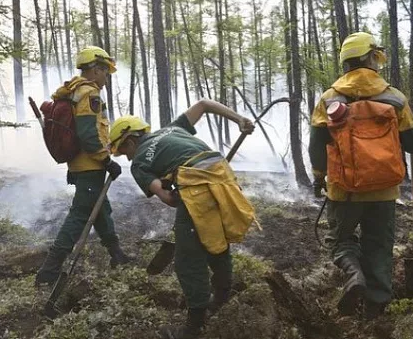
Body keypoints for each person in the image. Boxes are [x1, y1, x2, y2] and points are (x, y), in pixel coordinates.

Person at [108, 100, 255, 339]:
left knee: (188, 260)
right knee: (216, 241)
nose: (126, 157)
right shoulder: (173, 128)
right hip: (225, 179)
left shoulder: (139, 164)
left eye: (123, 151)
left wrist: (173, 189)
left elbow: (168, 198)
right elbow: (205, 104)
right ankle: (220, 299)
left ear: (131, 141)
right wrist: (239, 119)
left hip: (198, 190)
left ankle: (193, 328)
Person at [309, 32, 413, 319]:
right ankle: (376, 309)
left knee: (339, 240)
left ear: (345, 62)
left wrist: (319, 177)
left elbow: (316, 146)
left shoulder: (329, 98)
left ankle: (354, 273)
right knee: (379, 246)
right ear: (372, 58)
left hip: (344, 190)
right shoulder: (395, 98)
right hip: (384, 191)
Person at [35, 46, 130, 286]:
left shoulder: (74, 91)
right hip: (90, 166)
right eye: (105, 72)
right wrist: (107, 161)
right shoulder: (90, 94)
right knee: (79, 215)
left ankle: (116, 254)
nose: (107, 77)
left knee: (100, 209)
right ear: (96, 70)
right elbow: (88, 135)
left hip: (80, 166)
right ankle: (50, 269)